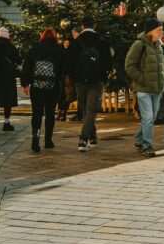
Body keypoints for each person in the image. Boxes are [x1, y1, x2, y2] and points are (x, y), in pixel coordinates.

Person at [68, 16, 113, 152]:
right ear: (94, 26)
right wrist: (103, 77)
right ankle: (89, 138)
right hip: (96, 81)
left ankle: (84, 138)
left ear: (82, 26)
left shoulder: (75, 43)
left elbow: (68, 64)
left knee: (85, 110)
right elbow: (109, 64)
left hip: (80, 82)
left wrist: (76, 77)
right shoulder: (102, 42)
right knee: (91, 110)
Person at [21, 28, 65, 152]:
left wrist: (25, 84)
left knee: (37, 113)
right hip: (53, 86)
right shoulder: (58, 49)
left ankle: (36, 137)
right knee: (50, 113)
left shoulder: (34, 49)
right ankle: (48, 140)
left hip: (36, 86)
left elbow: (26, 67)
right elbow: (63, 68)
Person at [0, 27, 21, 132]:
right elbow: (18, 60)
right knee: (8, 99)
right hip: (8, 75)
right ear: (7, 35)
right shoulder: (10, 46)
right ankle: (6, 123)